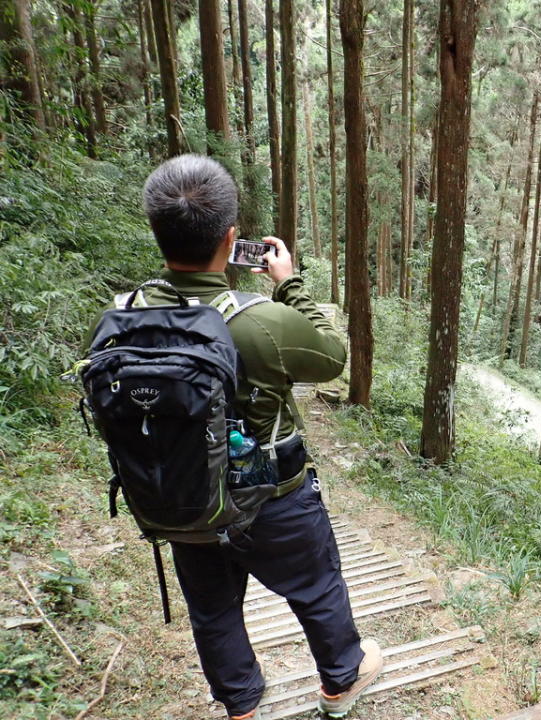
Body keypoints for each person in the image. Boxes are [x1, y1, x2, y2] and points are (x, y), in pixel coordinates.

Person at [88, 155, 382, 719]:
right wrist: (288, 283)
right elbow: (332, 357)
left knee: (213, 608)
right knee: (317, 586)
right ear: (230, 238)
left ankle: (242, 704)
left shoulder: (117, 319)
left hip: (182, 497)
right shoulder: (258, 321)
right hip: (273, 498)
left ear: (156, 231)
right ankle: (341, 681)